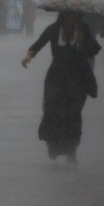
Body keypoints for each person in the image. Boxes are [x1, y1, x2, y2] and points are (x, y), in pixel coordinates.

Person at [21, 11, 100, 164]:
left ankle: (72, 150)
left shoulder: (83, 29)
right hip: (57, 76)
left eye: (73, 15)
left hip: (78, 77)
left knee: (73, 114)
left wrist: (85, 42)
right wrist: (29, 56)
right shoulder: (54, 29)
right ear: (62, 15)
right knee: (53, 110)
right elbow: (39, 43)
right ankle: (53, 145)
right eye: (66, 15)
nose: (70, 18)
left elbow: (93, 50)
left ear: (78, 16)